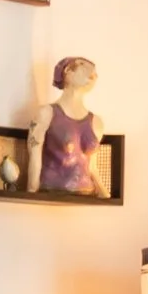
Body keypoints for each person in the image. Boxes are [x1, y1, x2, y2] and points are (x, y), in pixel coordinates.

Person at [28, 57, 103, 197]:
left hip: (87, 196)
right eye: (81, 64)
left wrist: (105, 196)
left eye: (94, 70)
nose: (91, 70)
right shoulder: (46, 113)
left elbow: (92, 167)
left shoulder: (96, 122)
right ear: (67, 71)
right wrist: (32, 193)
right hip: (52, 192)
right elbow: (34, 156)